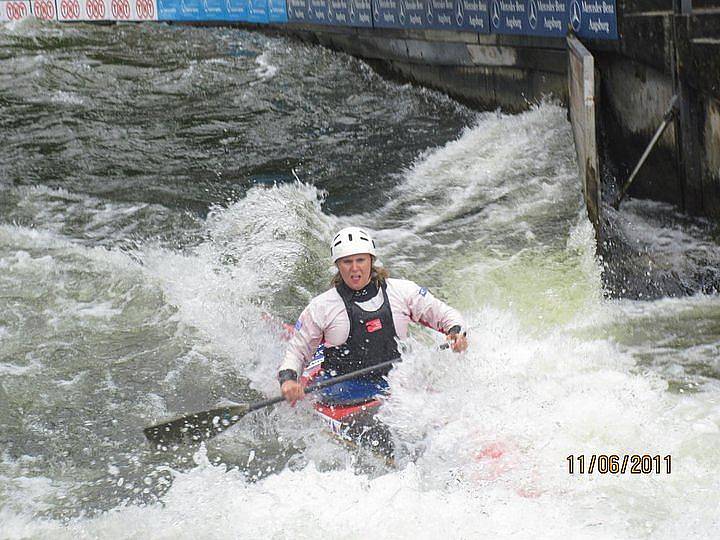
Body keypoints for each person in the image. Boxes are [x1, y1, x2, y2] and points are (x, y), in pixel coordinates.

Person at [278, 226, 468, 404]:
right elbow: (296, 353)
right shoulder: (321, 307)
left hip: (396, 382)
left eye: (360, 260)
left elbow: (446, 316)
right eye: (347, 262)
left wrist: (456, 332)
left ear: (371, 260)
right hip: (344, 392)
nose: (354, 268)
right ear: (338, 265)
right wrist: (288, 381)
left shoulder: (402, 291)